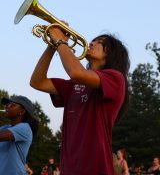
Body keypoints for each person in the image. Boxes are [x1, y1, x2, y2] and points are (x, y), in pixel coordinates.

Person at [30, 23, 130, 175]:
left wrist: (60, 41)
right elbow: (37, 81)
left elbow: (76, 72)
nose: (91, 43)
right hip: (69, 168)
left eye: (100, 42)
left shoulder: (116, 78)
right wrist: (52, 45)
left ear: (109, 52)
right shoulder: (73, 85)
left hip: (96, 168)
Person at [0, 95, 39, 175]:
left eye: (12, 104)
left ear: (22, 111)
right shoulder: (5, 128)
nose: (7, 106)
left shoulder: (25, 128)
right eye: (6, 104)